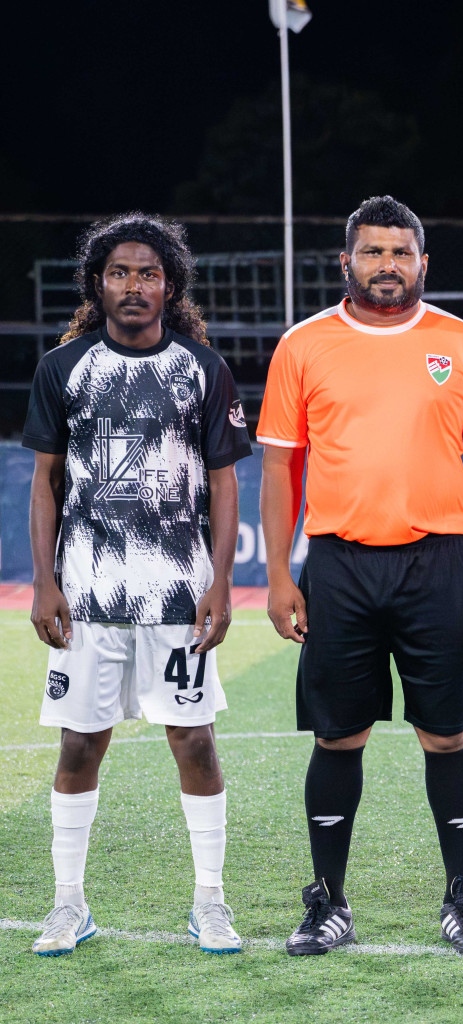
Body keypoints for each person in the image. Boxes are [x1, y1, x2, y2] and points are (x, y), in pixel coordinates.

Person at [258, 196, 463, 955]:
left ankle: (461, 900)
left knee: (447, 734)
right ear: (347, 262)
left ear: (423, 263)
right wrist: (279, 574)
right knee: (338, 736)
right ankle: (327, 903)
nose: (387, 265)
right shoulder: (304, 345)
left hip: (438, 563)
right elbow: (280, 468)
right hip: (338, 564)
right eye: (373, 252)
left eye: (401, 253)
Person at [25, 214, 250, 956]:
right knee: (79, 746)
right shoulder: (63, 368)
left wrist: (220, 583)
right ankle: (68, 905)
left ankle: (210, 902)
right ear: (97, 284)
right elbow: (45, 483)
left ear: (170, 286)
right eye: (118, 272)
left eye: (148, 273)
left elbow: (224, 483)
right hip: (87, 596)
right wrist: (45, 583)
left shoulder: (203, 369)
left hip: (177, 596)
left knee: (195, 742)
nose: (132, 285)